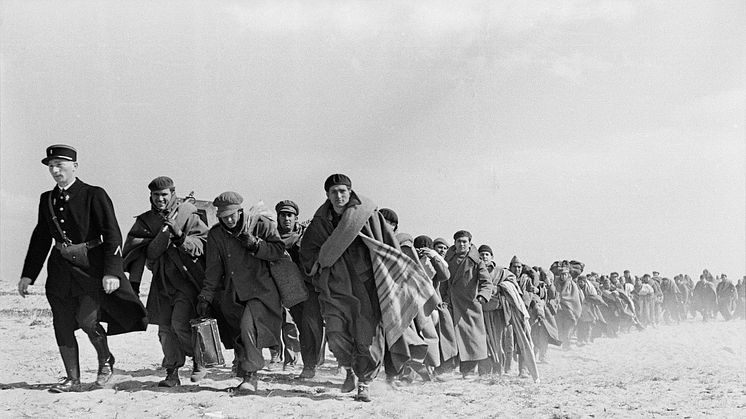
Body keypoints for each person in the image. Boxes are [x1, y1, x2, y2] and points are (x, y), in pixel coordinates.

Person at [19, 145, 147, 393]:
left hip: (91, 270)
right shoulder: (47, 199)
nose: (55, 170)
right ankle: (72, 379)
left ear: (74, 166)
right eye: (51, 166)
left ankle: (105, 360)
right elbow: (41, 238)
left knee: (87, 321)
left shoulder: (94, 194)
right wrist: (28, 274)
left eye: (60, 165)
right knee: (62, 324)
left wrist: (112, 271)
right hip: (59, 272)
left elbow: (112, 234)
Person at [299, 174, 437, 401]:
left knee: (368, 337)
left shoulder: (367, 215)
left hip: (366, 286)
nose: (339, 196)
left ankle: (364, 382)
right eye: (334, 192)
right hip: (335, 288)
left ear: (350, 192)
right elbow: (308, 252)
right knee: (335, 335)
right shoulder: (319, 222)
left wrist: (391, 276)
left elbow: (388, 245)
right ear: (327, 195)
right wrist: (319, 269)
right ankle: (349, 369)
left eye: (343, 191)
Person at [122, 176, 209, 387]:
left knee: (180, 324)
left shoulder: (187, 214)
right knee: (164, 331)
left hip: (186, 280)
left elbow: (203, 242)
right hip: (160, 282)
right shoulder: (145, 220)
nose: (160, 199)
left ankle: (199, 359)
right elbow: (134, 249)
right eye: (155, 195)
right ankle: (172, 372)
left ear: (172, 194)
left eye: (164, 195)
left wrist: (180, 237)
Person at [196, 192, 287, 393]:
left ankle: (251, 376)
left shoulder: (260, 224)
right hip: (233, 295)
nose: (229, 220)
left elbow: (278, 250)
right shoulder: (216, 235)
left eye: (232, 214)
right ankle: (244, 366)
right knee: (239, 335)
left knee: (249, 327)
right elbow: (213, 270)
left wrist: (256, 244)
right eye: (224, 216)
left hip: (261, 291)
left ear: (240, 210)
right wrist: (206, 296)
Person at [275, 199, 325, 379]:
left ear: (296, 218)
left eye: (290, 215)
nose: (286, 219)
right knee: (301, 327)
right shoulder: (273, 238)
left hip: (310, 287)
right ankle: (309, 364)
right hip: (290, 290)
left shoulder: (306, 236)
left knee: (311, 324)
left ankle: (311, 364)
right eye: (283, 215)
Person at [443, 230, 493, 377]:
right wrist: (443, 299)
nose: (462, 244)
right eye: (459, 241)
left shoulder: (477, 261)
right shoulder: (448, 259)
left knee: (471, 339)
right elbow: (443, 281)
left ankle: (469, 371)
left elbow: (486, 282)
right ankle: (447, 368)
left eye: (465, 241)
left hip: (470, 305)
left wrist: (482, 296)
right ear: (454, 243)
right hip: (451, 303)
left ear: (470, 243)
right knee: (449, 335)